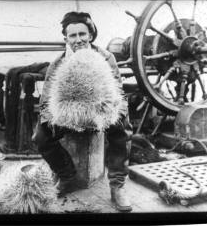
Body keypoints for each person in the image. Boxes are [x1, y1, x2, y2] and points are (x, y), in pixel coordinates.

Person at [32, 11, 133, 212]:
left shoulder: (106, 57)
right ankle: (66, 175)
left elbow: (117, 92)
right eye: (73, 35)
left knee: (122, 129)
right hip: (69, 115)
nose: (78, 40)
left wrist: (107, 113)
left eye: (82, 34)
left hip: (98, 113)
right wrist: (56, 117)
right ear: (66, 39)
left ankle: (117, 185)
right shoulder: (57, 63)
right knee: (40, 137)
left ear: (91, 35)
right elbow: (46, 101)